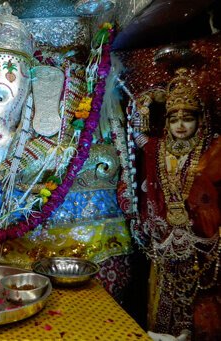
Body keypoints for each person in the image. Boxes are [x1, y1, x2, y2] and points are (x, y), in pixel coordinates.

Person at [132, 68, 220, 339]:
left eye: (187, 119)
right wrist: (145, 103)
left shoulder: (210, 149)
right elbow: (138, 135)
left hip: (201, 240)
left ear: (200, 120)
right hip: (165, 237)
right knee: (163, 290)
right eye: (173, 120)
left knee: (198, 296)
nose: (180, 125)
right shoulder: (158, 148)